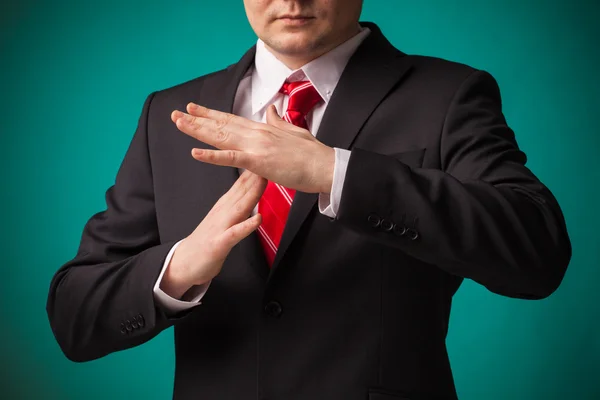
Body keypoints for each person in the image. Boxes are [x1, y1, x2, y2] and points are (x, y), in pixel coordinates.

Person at [46, 1, 572, 399]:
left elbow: (537, 252)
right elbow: (75, 317)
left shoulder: (449, 95)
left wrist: (334, 172)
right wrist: (179, 267)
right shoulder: (171, 113)